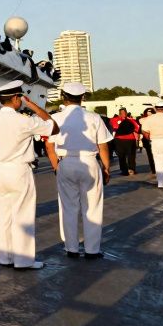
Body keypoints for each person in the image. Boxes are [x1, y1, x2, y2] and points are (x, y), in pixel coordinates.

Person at [0, 81, 58, 270]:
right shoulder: (24, 120)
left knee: (2, 216)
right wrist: (33, 106)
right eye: (20, 98)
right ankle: (23, 261)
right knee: (22, 215)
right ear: (16, 98)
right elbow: (53, 127)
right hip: (19, 169)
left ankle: (5, 258)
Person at [46, 83, 112, 259]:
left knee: (68, 207)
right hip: (90, 161)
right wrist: (106, 168)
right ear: (82, 97)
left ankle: (71, 248)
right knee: (92, 207)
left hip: (66, 161)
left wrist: (55, 166)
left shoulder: (56, 118)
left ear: (63, 96)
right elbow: (103, 145)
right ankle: (92, 250)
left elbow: (49, 145)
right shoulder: (94, 117)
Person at [109, 108, 140, 176]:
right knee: (121, 156)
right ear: (119, 113)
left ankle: (131, 169)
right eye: (122, 113)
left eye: (124, 112)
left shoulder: (131, 120)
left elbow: (137, 128)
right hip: (119, 140)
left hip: (130, 140)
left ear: (126, 113)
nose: (123, 114)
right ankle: (124, 170)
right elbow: (111, 127)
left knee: (131, 155)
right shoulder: (114, 120)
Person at [138, 107, 156, 173]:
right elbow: (140, 130)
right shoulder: (142, 120)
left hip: (155, 138)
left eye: (150, 111)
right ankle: (154, 169)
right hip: (147, 139)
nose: (149, 113)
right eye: (148, 111)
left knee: (154, 155)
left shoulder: (142, 120)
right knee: (150, 154)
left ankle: (156, 168)